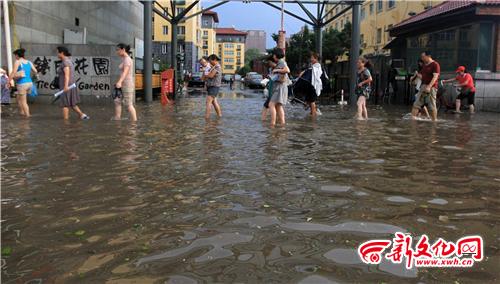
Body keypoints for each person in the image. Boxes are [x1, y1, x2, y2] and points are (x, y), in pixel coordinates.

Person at [56, 46, 89, 120]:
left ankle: (65, 123)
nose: (57, 54)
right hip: (70, 85)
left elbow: (67, 75)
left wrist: (65, 86)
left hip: (67, 86)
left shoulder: (65, 62)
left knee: (65, 105)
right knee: (71, 103)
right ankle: (82, 115)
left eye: (58, 52)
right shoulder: (69, 60)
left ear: (61, 53)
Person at [8, 48, 38, 117]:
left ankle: (28, 116)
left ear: (17, 55)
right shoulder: (29, 62)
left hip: (22, 84)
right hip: (29, 83)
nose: (15, 57)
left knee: (24, 102)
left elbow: (13, 72)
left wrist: (8, 81)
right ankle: (22, 112)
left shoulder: (17, 62)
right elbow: (35, 71)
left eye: (15, 55)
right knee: (19, 98)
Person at [411, 51, 440, 121]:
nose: (422, 58)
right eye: (421, 57)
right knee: (416, 104)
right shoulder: (424, 65)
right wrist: (414, 77)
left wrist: (429, 86)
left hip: (431, 87)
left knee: (432, 106)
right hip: (423, 86)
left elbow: (435, 77)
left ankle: (434, 121)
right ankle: (412, 121)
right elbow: (422, 76)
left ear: (428, 56)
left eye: (423, 57)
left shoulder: (435, 64)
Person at [113, 43, 137, 121]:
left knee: (129, 104)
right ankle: (117, 118)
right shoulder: (124, 59)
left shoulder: (127, 59)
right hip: (123, 84)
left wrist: (119, 82)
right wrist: (119, 82)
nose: (117, 52)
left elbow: (125, 72)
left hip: (127, 84)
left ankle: (134, 122)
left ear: (123, 50)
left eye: (118, 50)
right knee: (117, 101)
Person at [269, 48, 290, 126]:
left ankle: (272, 124)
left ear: (275, 55)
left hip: (280, 86)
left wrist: (276, 70)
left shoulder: (281, 62)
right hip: (281, 86)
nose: (273, 56)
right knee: (278, 106)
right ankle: (282, 123)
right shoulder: (281, 62)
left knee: (271, 104)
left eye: (274, 55)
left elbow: (287, 70)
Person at [202, 54, 222, 119]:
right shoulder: (213, 66)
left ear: (214, 60)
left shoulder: (217, 67)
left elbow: (211, 75)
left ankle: (206, 118)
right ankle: (219, 116)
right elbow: (208, 75)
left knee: (208, 102)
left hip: (214, 87)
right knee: (214, 102)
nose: (209, 62)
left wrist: (205, 75)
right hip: (211, 87)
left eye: (210, 60)